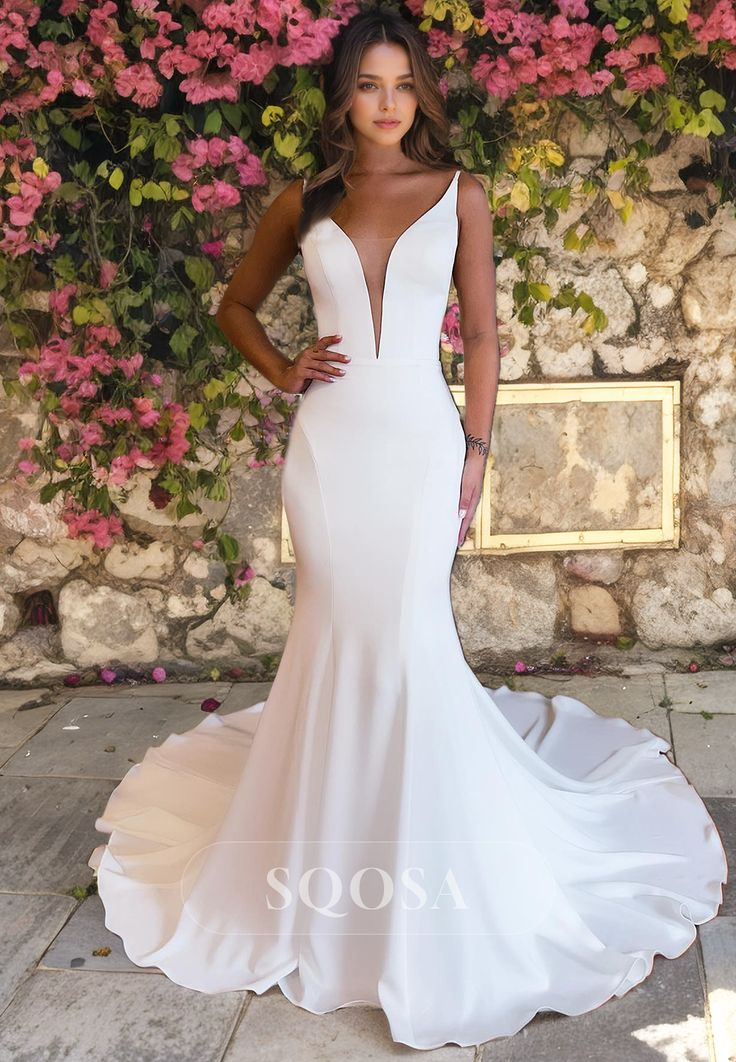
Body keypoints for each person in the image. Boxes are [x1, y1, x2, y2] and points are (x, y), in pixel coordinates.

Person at [88, 7, 728, 1052]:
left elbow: (479, 331)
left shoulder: (460, 194)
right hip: (330, 454)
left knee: (407, 636)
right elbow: (235, 308)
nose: (385, 103)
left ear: (420, 93)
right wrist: (281, 367)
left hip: (424, 447)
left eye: (401, 85)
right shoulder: (303, 202)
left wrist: (476, 452)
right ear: (342, 96)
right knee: (339, 632)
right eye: (367, 85)